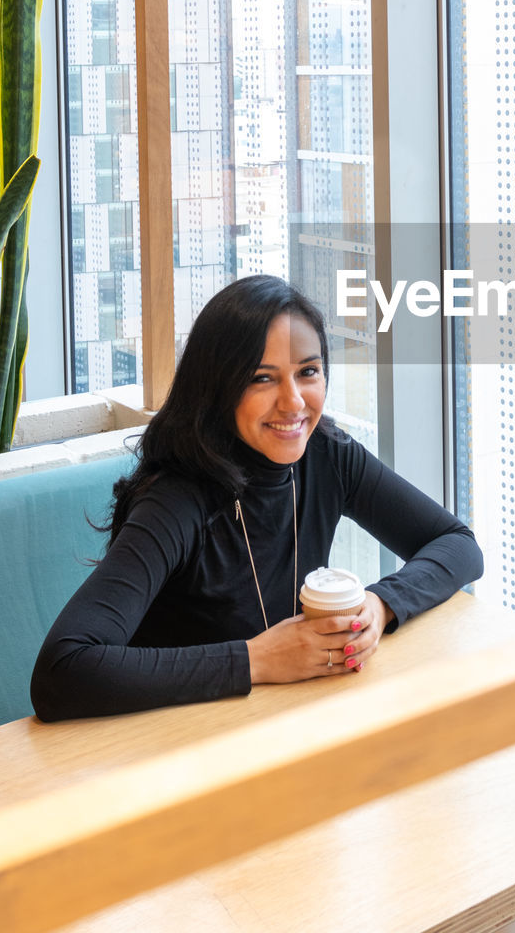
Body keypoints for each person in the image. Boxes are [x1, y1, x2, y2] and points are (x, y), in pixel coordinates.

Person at [30, 275, 483, 721]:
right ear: (217, 388)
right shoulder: (177, 500)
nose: (293, 403)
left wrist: (380, 607)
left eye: (308, 372)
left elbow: (458, 543)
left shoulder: (327, 454)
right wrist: (256, 660)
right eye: (262, 379)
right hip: (179, 746)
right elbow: (62, 670)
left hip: (286, 724)